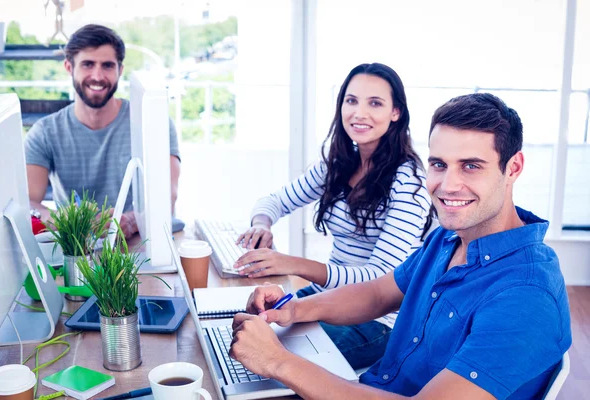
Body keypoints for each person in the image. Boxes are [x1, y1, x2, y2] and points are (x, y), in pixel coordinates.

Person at [229, 93, 572, 399]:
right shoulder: (448, 238)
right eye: (439, 164)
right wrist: (294, 310)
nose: (448, 185)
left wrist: (278, 362)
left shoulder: (527, 294)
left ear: (513, 168)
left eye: (471, 166)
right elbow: (379, 293)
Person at [234, 63, 433, 369]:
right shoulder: (339, 164)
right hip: (327, 298)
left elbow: (379, 280)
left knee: (266, 353)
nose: (359, 113)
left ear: (396, 113)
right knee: (244, 328)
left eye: (375, 103)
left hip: (379, 321)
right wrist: (262, 224)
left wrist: (292, 263)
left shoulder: (409, 183)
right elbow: (272, 201)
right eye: (351, 101)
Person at [25, 24, 181, 238]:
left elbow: (168, 196)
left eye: (107, 66)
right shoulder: (44, 132)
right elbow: (29, 201)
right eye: (88, 64)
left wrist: (130, 221)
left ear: (120, 70)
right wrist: (64, 221)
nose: (97, 76)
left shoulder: (153, 123)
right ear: (69, 67)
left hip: (137, 243)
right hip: (76, 249)